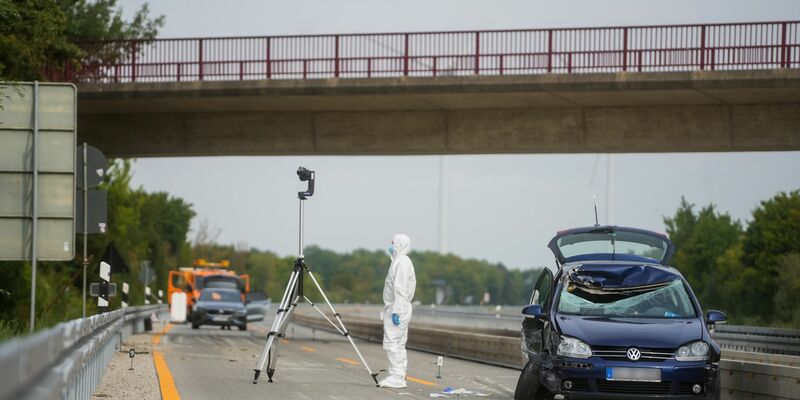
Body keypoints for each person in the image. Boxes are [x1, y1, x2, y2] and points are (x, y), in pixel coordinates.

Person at [378, 233, 417, 389]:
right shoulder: (399, 261)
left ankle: (397, 377)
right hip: (397, 307)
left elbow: (400, 288)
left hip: (397, 308)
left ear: (400, 244)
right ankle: (397, 375)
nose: (390, 245)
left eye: (393, 242)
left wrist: (396, 310)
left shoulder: (401, 262)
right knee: (396, 343)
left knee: (394, 343)